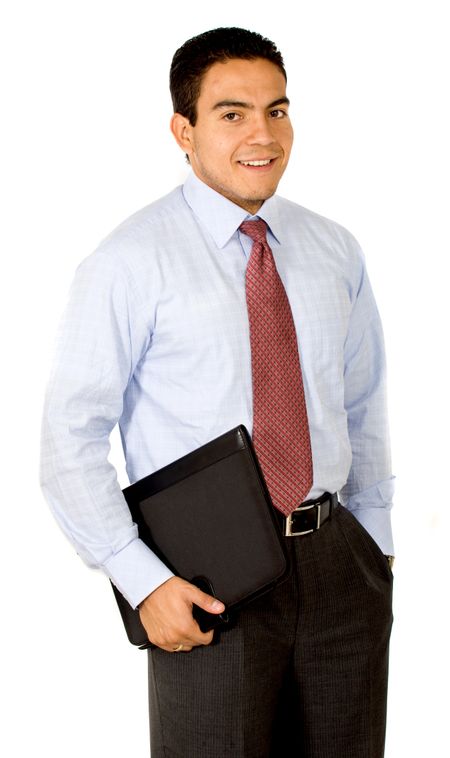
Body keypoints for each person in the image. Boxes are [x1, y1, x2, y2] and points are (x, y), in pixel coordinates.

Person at [40, 26, 395, 758]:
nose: (262, 134)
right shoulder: (127, 262)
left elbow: (363, 407)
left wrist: (376, 543)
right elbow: (67, 441)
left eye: (278, 109)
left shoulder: (334, 248)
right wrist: (142, 581)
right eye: (232, 113)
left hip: (339, 566)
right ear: (184, 129)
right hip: (207, 578)